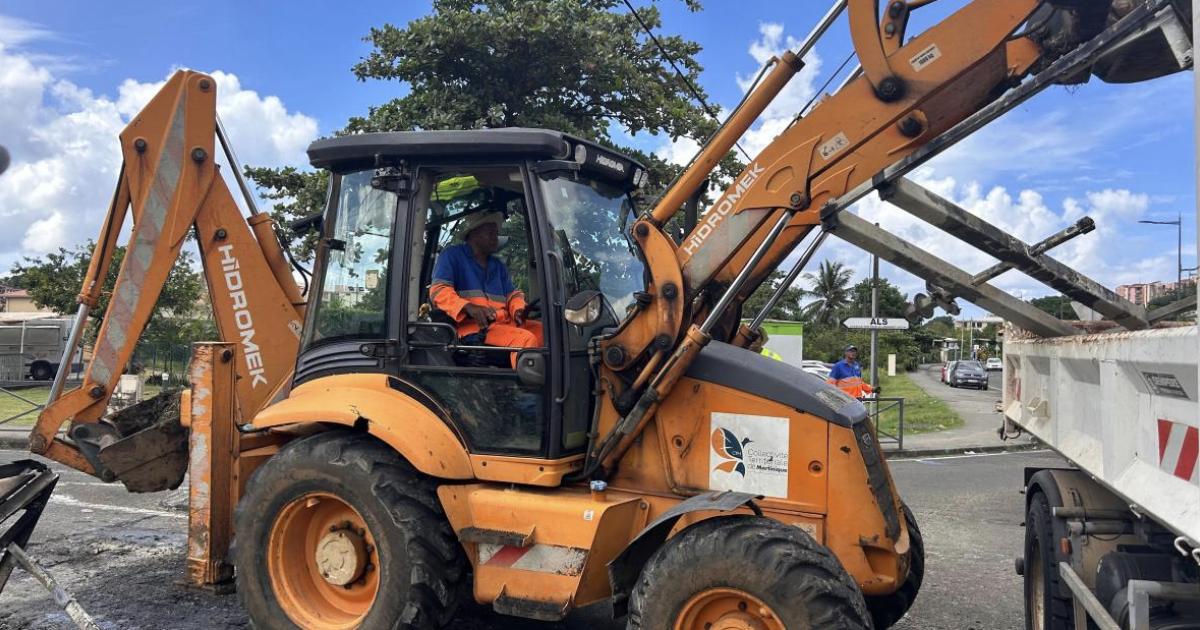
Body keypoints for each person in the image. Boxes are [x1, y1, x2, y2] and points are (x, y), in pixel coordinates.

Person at [429, 211, 543, 366]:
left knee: (544, 331)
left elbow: (512, 294)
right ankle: (526, 387)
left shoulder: (498, 266)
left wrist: (518, 310)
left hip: (505, 324)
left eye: (496, 233)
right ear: (474, 233)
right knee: (525, 340)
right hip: (476, 330)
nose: (495, 238)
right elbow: (439, 290)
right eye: (490, 233)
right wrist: (468, 307)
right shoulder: (452, 256)